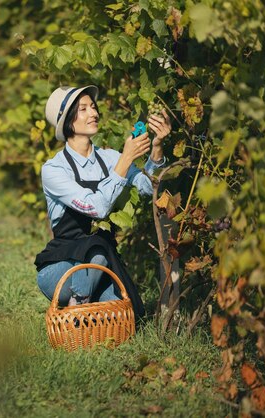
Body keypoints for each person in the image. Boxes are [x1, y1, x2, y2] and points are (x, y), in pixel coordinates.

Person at [34, 85, 171, 317]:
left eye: (94, 107)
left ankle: (84, 305)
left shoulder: (109, 158)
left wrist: (156, 149)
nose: (94, 113)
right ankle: (77, 308)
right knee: (97, 244)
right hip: (61, 269)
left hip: (101, 265)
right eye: (84, 109)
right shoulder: (54, 169)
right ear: (67, 121)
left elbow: (149, 189)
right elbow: (96, 208)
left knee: (129, 316)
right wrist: (126, 159)